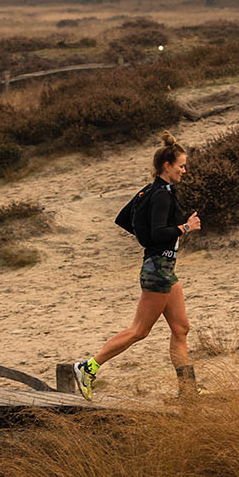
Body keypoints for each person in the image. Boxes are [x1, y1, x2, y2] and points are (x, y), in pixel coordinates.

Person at [73, 131, 201, 400]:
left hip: (165, 268)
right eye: (181, 166)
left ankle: (188, 391)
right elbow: (156, 233)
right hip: (157, 269)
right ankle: (88, 367)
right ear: (167, 166)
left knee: (181, 328)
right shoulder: (161, 195)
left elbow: (124, 218)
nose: (184, 170)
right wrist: (185, 227)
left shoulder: (152, 190)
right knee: (139, 331)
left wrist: (148, 238)